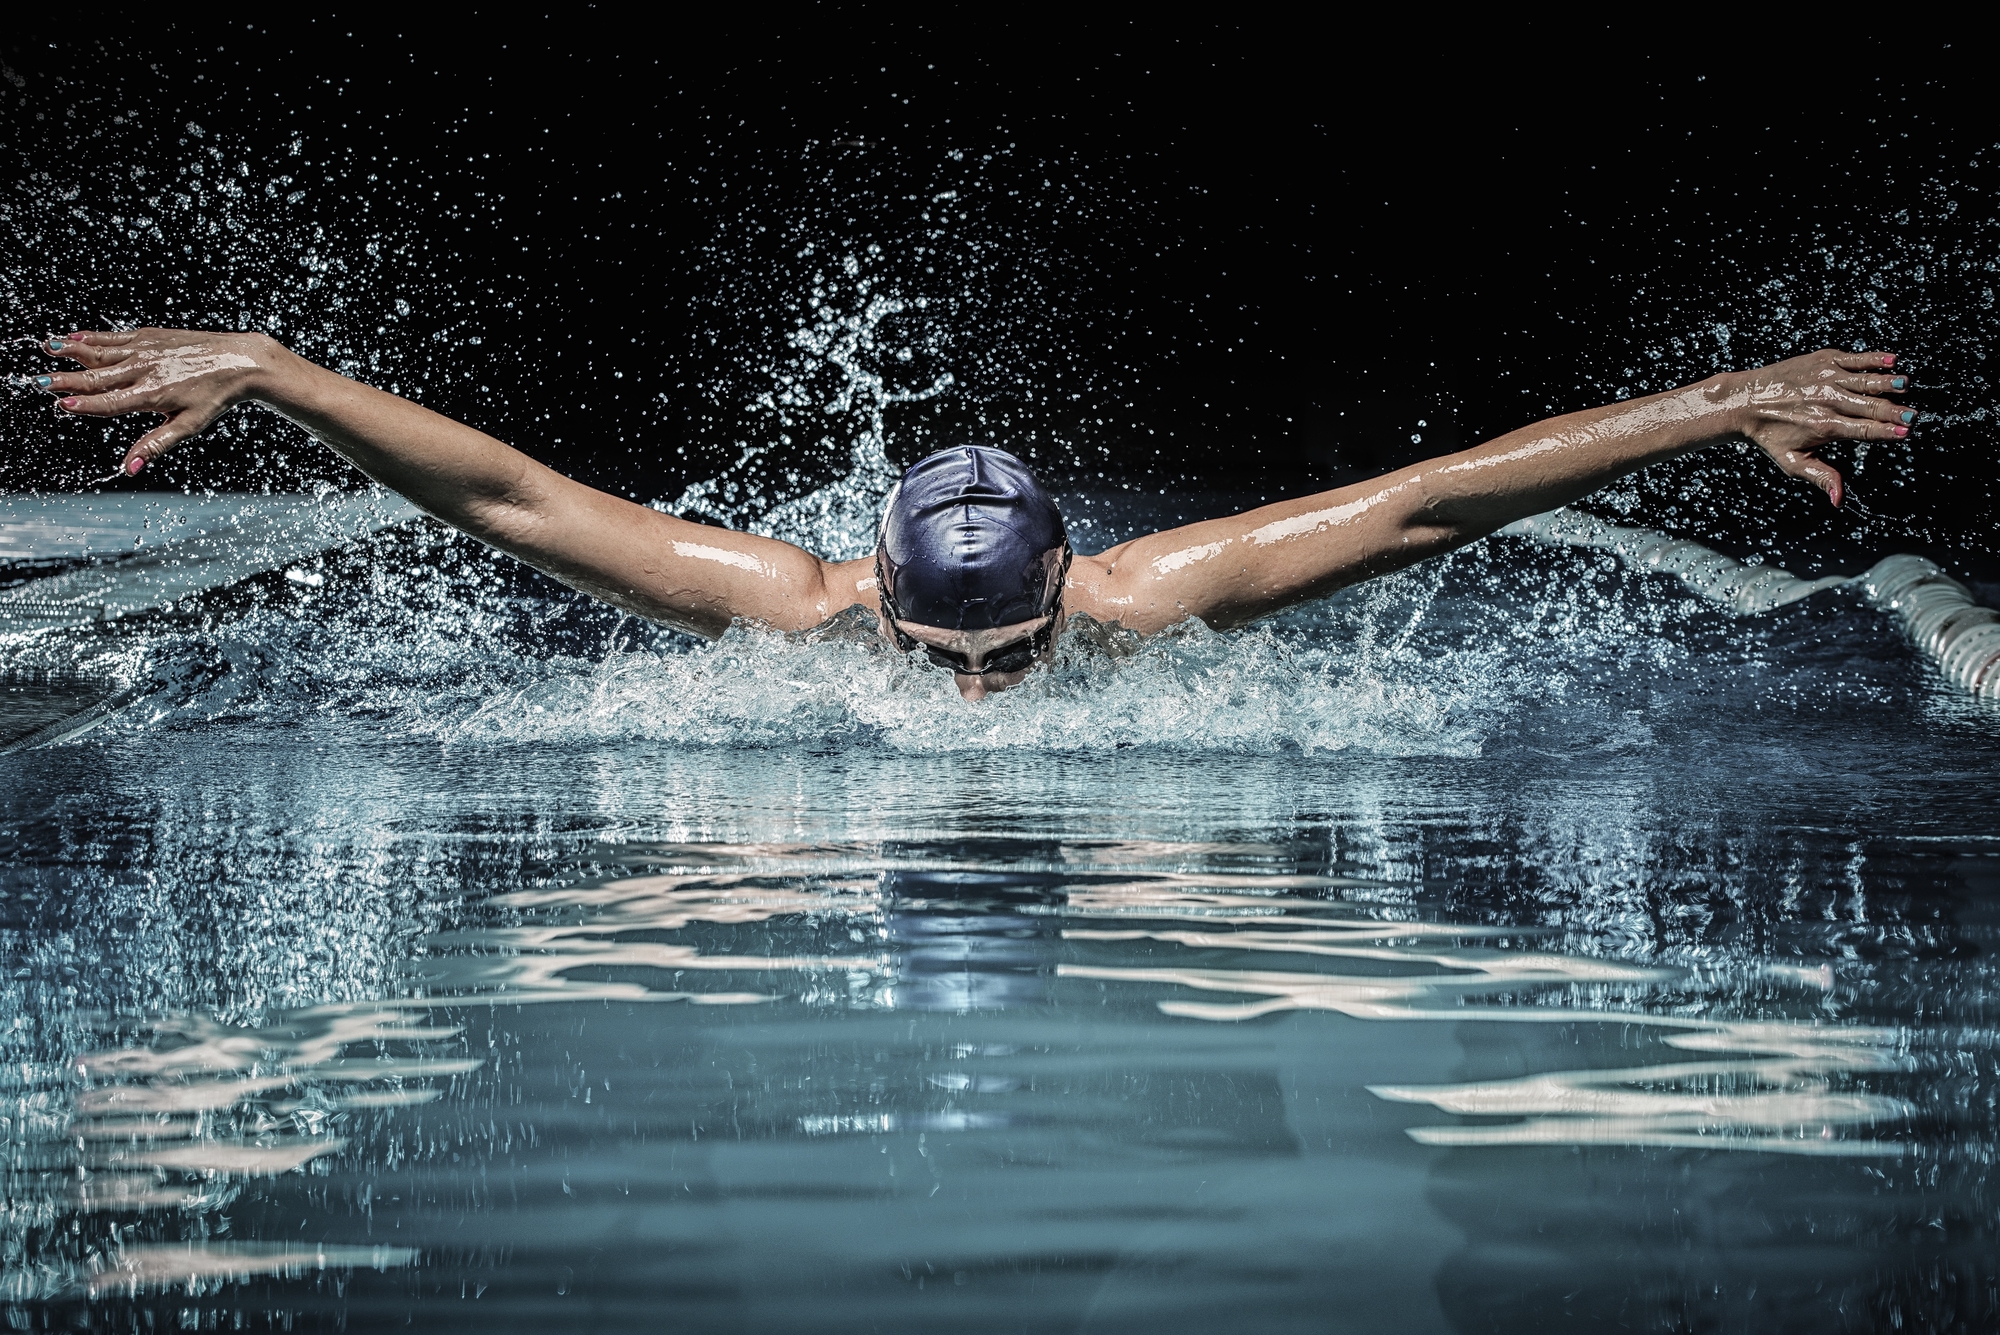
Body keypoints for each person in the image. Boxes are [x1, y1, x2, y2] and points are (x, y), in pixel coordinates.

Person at [34, 328, 1915, 700]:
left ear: (1066, 586)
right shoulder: (787, 602)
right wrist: (276, 369)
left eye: (1004, 656)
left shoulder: (1149, 596)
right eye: (935, 660)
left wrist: (1716, 403)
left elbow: (1430, 498)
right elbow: (515, 496)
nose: (973, 702)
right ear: (871, 591)